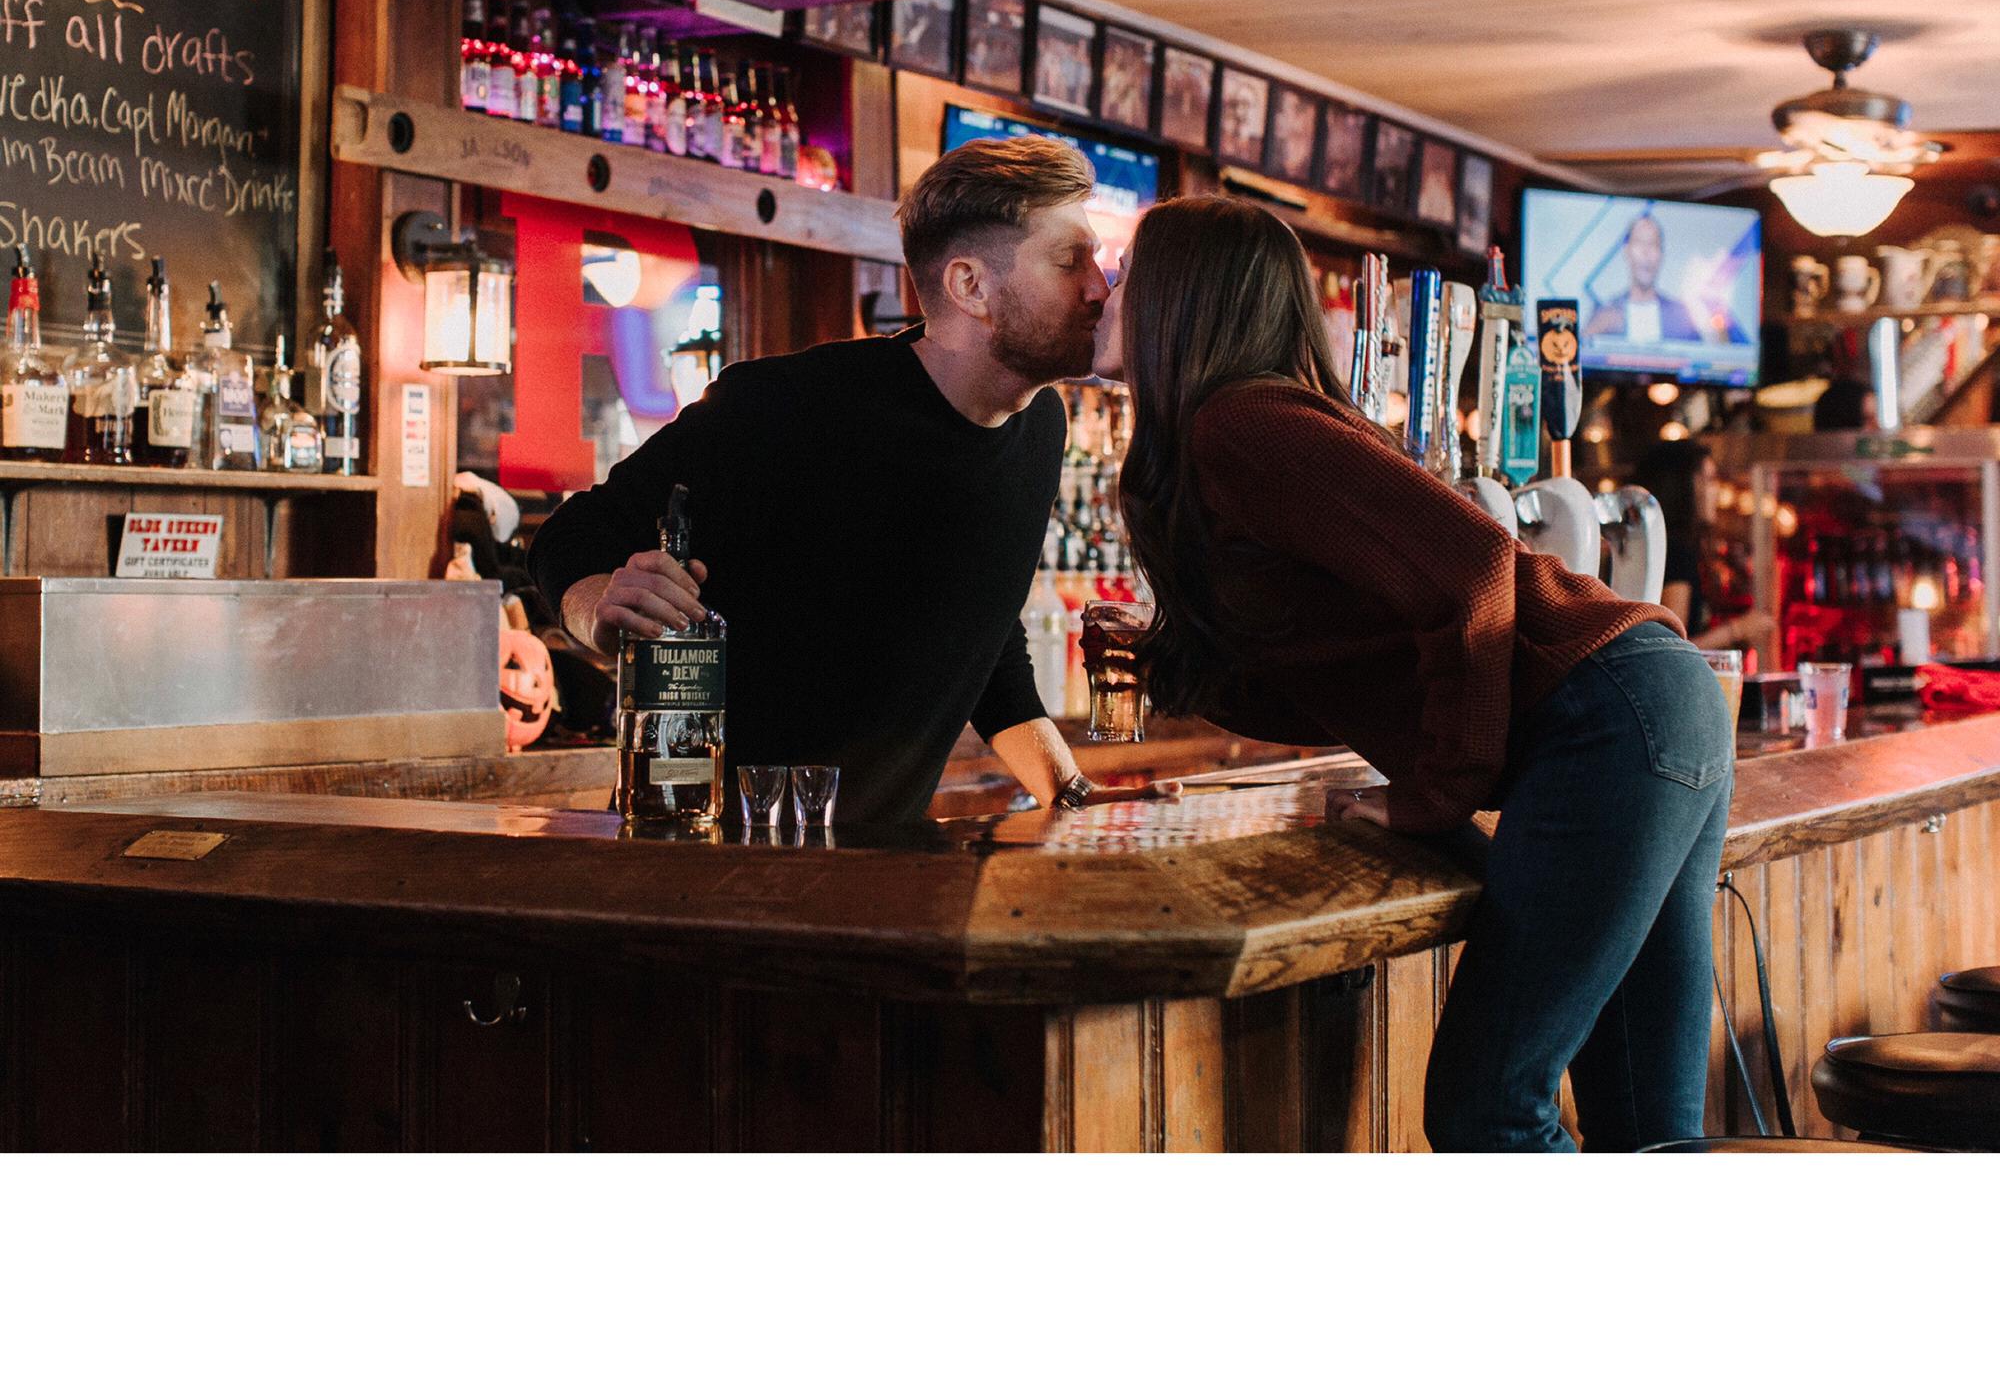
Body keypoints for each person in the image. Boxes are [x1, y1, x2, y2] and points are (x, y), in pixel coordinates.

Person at [1111, 197, 1734, 1152]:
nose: (1107, 290)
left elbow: (1474, 568)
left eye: (1125, 275)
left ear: (1176, 300)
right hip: (1651, 699)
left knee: (1491, 1108)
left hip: (1611, 714)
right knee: (1649, 1135)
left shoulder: (1240, 425)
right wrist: (1165, 668)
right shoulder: (1254, 429)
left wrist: (1433, 797)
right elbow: (1334, 677)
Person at [528, 134, 1110, 827]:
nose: (1099, 287)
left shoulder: (1040, 425)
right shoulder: (788, 406)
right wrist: (601, 610)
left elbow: (987, 643)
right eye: (1069, 261)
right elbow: (569, 537)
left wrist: (1075, 800)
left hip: (872, 867)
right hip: (708, 853)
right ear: (970, 287)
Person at [1631, 441, 1770, 653]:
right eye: (1709, 479)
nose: (1716, 490)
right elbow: (1670, 648)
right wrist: (1737, 630)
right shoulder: (1676, 552)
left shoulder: (1654, 545)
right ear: (1683, 488)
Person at [1583, 212, 1702, 343]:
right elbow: (1576, 351)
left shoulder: (1681, 317)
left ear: (1661, 254)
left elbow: (1704, 353)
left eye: (1653, 244)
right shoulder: (1605, 314)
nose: (1646, 252)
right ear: (1626, 251)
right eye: (1639, 242)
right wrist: (1593, 331)